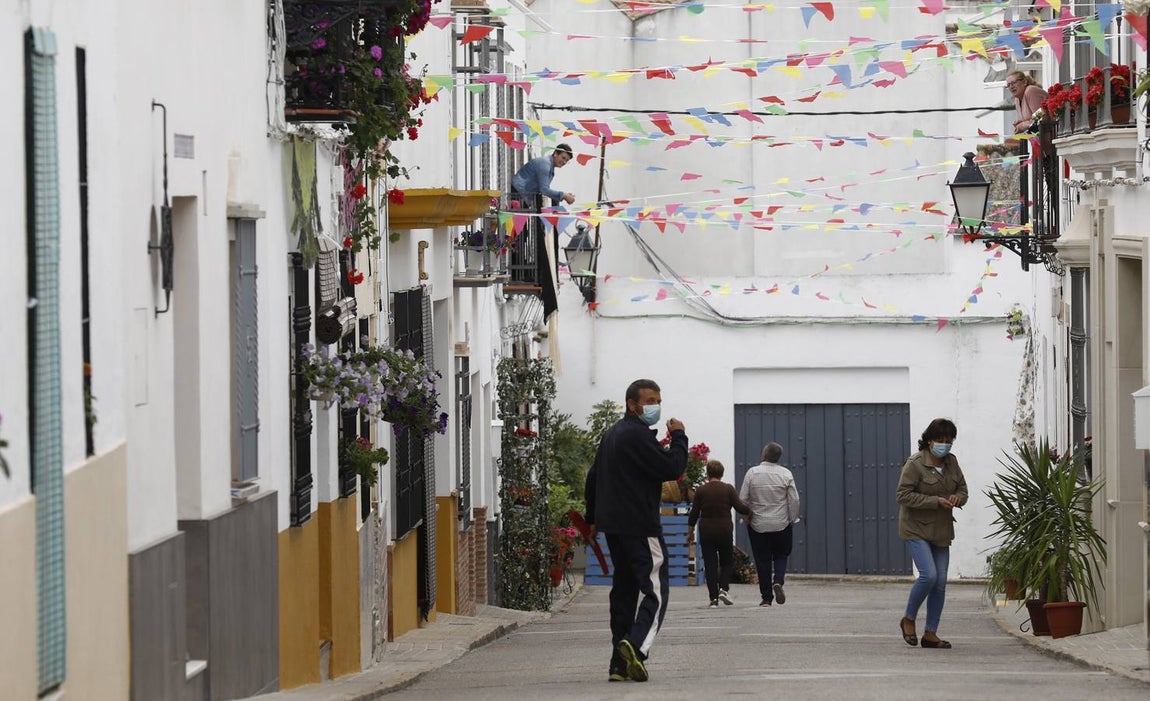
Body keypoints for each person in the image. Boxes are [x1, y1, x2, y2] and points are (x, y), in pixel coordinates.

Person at [584, 379, 687, 683]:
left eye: (658, 400)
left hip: (613, 526)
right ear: (632, 404)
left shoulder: (612, 434)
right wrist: (679, 435)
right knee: (656, 587)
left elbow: (593, 477)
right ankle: (637, 646)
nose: (655, 405)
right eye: (650, 400)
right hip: (640, 525)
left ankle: (619, 662)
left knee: (625, 590)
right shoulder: (638, 435)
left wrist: (592, 518)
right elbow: (672, 467)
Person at [896, 418, 968, 650]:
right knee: (929, 575)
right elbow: (903, 495)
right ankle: (908, 619)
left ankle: (930, 633)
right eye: (940, 440)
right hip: (915, 527)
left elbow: (963, 489)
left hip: (941, 529)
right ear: (929, 441)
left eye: (949, 441)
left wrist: (959, 498)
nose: (945, 445)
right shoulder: (915, 464)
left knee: (940, 583)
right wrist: (934, 501)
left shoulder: (952, 463)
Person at [739, 442, 800, 607]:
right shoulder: (785, 474)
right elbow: (794, 500)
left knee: (762, 560)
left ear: (764, 454)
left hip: (758, 524)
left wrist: (746, 518)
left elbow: (743, 499)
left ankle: (766, 598)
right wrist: (792, 519)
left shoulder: (752, 473)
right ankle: (778, 580)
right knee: (781, 555)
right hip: (781, 523)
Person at [688, 459, 751, 608]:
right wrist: (751, 511)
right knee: (727, 562)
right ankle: (724, 588)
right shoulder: (728, 489)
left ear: (707, 473)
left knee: (710, 564)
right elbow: (740, 507)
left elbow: (694, 513)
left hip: (706, 531)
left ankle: (713, 599)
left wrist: (689, 532)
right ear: (722, 474)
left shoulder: (701, 490)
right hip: (724, 531)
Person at [510, 143, 576, 208]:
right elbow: (544, 189)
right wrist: (564, 195)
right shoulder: (545, 165)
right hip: (518, 193)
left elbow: (544, 189)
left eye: (567, 160)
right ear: (555, 153)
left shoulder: (549, 166)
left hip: (522, 194)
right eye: (563, 158)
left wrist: (565, 196)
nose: (564, 162)